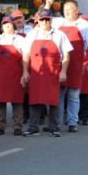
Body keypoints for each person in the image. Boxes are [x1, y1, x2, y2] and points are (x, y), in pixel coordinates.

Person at [21, 8, 73, 137]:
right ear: (38, 20)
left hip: (53, 72)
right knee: (34, 99)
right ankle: (33, 127)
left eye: (47, 20)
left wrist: (63, 72)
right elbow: (26, 55)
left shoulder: (60, 35)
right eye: (42, 20)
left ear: (51, 20)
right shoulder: (32, 35)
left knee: (53, 99)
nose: (44, 22)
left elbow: (66, 56)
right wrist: (25, 72)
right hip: (36, 71)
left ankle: (54, 127)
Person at [51, 1, 88, 132]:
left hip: (76, 64)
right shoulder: (58, 23)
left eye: (69, 10)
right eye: (65, 9)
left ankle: (72, 122)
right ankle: (57, 123)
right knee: (59, 95)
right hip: (59, 64)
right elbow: (41, 16)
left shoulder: (84, 25)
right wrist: (48, 2)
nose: (66, 12)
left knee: (73, 95)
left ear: (76, 10)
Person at [0, 16, 25, 135]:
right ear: (1, 26)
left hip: (15, 74)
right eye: (4, 24)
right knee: (0, 100)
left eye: (9, 24)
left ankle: (18, 126)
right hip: (0, 75)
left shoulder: (20, 39)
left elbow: (25, 58)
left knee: (17, 101)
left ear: (13, 25)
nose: (7, 26)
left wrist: (25, 73)